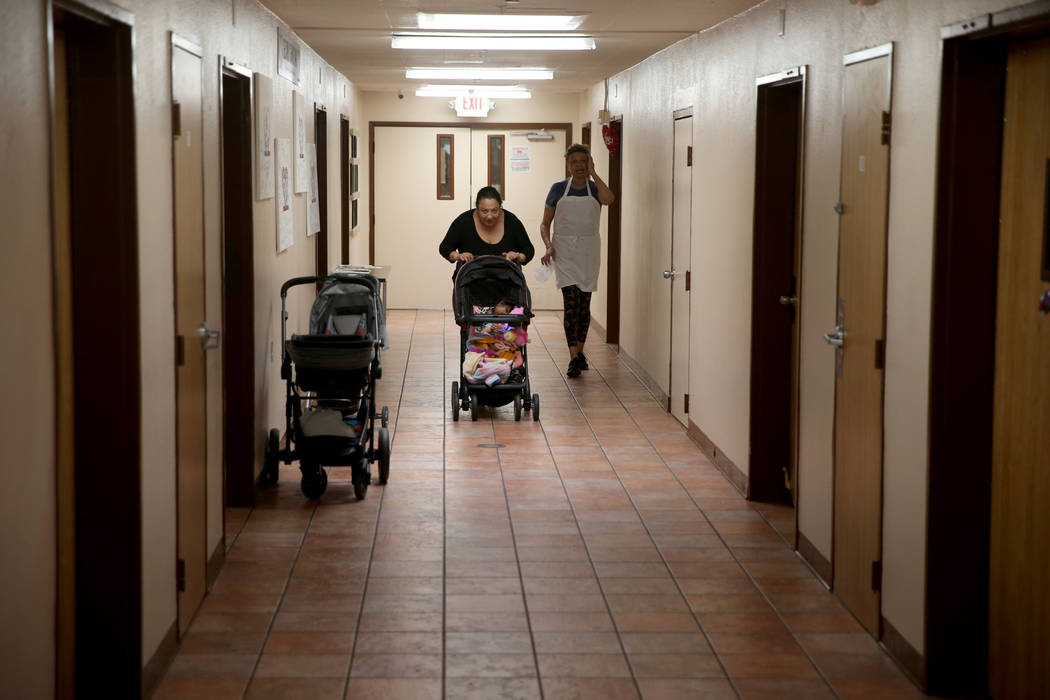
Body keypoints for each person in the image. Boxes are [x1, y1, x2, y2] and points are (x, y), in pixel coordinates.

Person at [539, 144, 616, 377]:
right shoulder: (558, 189)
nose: (579, 166)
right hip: (564, 251)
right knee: (571, 302)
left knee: (584, 305)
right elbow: (545, 224)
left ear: (589, 162)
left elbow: (610, 199)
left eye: (583, 161)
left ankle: (581, 351)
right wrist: (548, 245)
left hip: (589, 252)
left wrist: (595, 173)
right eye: (574, 162)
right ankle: (573, 356)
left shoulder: (595, 189)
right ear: (568, 165)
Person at [439, 186, 535, 277]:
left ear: (500, 207)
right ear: (477, 208)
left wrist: (519, 256)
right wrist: (457, 256)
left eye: (494, 211)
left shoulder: (511, 221)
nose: (489, 216)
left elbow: (528, 249)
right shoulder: (463, 221)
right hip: (470, 284)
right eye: (484, 211)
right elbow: (445, 247)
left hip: (507, 284)